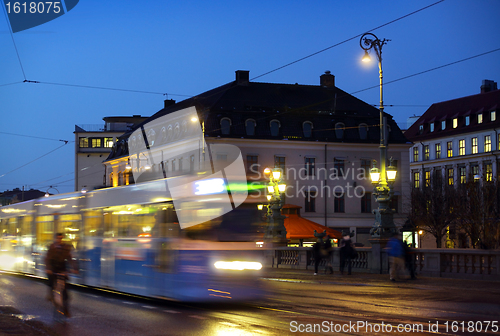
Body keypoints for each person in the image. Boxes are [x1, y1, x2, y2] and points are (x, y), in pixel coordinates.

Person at [45, 233, 77, 317]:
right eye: (58, 238)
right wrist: (48, 268)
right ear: (55, 239)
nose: (59, 240)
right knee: (51, 281)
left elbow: (70, 259)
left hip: (63, 269)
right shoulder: (52, 247)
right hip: (53, 269)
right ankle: (50, 293)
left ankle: (66, 309)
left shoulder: (65, 248)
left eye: (61, 238)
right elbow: (47, 259)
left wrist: (75, 268)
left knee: (65, 291)